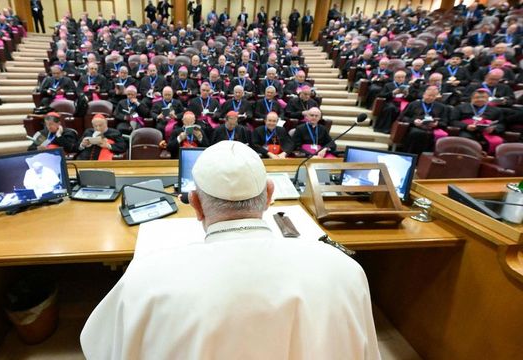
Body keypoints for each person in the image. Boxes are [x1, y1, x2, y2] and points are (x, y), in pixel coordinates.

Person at [80, 140, 381, 360]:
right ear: (269, 196)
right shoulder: (344, 269)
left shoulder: (145, 278)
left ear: (195, 204)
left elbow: (99, 347)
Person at [400, 86, 449, 154]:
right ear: (424, 94)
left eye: (433, 96)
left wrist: (437, 124)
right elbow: (402, 117)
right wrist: (414, 121)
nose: (431, 98)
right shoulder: (414, 104)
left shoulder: (442, 107)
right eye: (429, 95)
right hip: (415, 127)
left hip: (432, 129)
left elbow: (445, 122)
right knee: (417, 133)